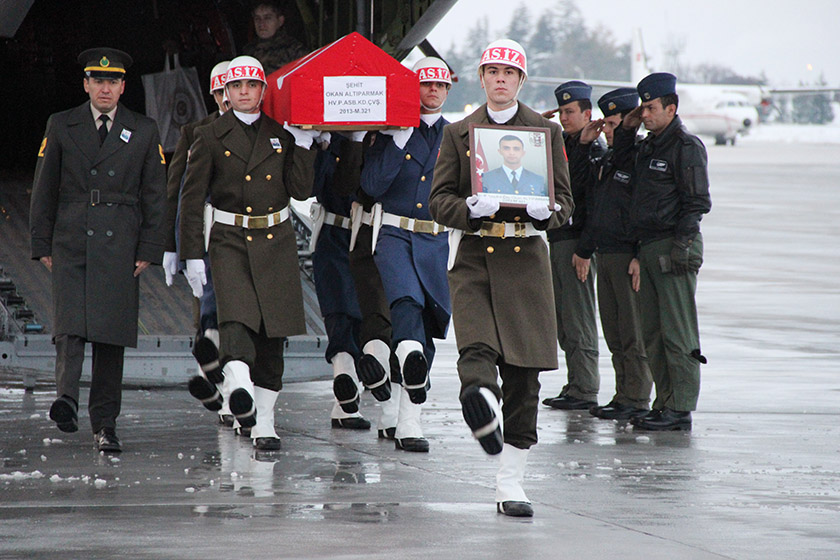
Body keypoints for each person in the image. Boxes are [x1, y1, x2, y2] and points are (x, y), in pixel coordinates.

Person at [429, 39, 572, 517]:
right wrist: (468, 210)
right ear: (482, 77)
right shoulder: (459, 132)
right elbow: (438, 200)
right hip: (474, 254)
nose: (500, 80)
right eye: (492, 72)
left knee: (525, 377)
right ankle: (480, 403)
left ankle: (510, 482)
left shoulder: (545, 133)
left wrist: (546, 212)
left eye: (509, 74)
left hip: (527, 259)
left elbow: (566, 205)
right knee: (477, 349)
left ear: (521, 81)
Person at [178, 55, 320, 449]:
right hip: (228, 241)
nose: (243, 92)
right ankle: (238, 387)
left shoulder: (281, 134)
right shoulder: (209, 136)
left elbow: (300, 190)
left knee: (273, 337)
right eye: (236, 86)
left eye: (251, 85)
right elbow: (192, 200)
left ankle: (265, 422)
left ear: (262, 90)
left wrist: (305, 145)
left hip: (275, 242)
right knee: (236, 323)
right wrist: (189, 253)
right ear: (226, 92)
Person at [30, 48, 166, 452]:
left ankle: (105, 423)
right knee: (69, 326)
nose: (105, 88)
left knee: (110, 336)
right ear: (86, 84)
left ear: (123, 87)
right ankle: (66, 399)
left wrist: (149, 247)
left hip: (120, 240)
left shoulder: (143, 130)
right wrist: (41, 241)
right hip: (72, 235)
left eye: (113, 82)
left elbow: (155, 195)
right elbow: (44, 187)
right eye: (97, 81)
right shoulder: (61, 124)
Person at [359, 57, 453, 453]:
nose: (432, 90)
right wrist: (397, 141)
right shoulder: (389, 132)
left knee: (426, 328)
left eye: (440, 85)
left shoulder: (459, 136)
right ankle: (410, 422)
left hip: (436, 240)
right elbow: (371, 184)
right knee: (405, 306)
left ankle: (399, 417)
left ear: (449, 90)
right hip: (395, 232)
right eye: (425, 83)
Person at [612, 72, 711, 431]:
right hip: (650, 246)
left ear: (672, 108)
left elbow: (697, 201)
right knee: (652, 331)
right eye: (643, 107)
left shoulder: (685, 146)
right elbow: (621, 161)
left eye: (651, 108)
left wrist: (681, 248)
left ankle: (681, 406)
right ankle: (664, 402)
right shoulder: (649, 145)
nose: (646, 114)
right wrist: (628, 126)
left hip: (673, 245)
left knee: (677, 332)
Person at [161, 61, 234, 426]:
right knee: (209, 306)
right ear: (212, 94)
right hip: (204, 231)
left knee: (232, 313)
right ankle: (217, 386)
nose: (226, 99)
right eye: (220, 92)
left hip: (240, 230)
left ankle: (221, 387)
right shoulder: (196, 131)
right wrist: (172, 245)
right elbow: (177, 191)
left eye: (229, 90)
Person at [578, 88, 653, 421]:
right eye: (605, 123)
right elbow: (595, 207)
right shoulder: (609, 159)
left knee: (633, 333)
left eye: (611, 123)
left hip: (627, 254)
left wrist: (639, 254)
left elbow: (643, 208)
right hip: (606, 253)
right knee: (614, 332)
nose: (606, 130)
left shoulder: (636, 156)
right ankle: (623, 394)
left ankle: (637, 397)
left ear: (628, 122)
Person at [542, 80, 604, 411]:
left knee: (578, 318)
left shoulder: (593, 150)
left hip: (576, 244)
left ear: (586, 113)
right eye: (561, 112)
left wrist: (585, 250)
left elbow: (590, 202)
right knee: (564, 320)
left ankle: (586, 386)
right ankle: (576, 382)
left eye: (570, 112)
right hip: (558, 238)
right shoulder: (564, 144)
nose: (564, 118)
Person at [309, 132, 372, 431]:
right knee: (339, 310)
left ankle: (345, 401)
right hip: (334, 235)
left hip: (369, 237)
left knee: (362, 316)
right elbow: (318, 185)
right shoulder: (326, 141)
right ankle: (344, 375)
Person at [242, 1, 308, 75]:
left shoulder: (294, 50)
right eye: (257, 18)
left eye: (267, 18)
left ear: (280, 21)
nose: (261, 23)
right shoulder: (248, 50)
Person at [481, 135, 546, 196]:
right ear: (500, 151)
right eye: (506, 148)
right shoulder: (487, 177)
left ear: (523, 153)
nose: (511, 153)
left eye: (516, 149)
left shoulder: (537, 179)